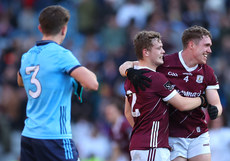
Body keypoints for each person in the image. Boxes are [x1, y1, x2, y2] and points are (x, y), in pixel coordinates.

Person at [119, 25, 223, 161]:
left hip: (198, 133)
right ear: (191, 45)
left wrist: (216, 110)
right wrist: (128, 71)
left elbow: (216, 104)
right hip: (170, 136)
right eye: (206, 45)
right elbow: (132, 64)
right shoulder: (162, 64)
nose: (209, 50)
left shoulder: (207, 72)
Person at [17, 5, 99, 161]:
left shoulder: (27, 56)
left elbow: (20, 81)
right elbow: (92, 83)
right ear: (64, 29)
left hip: (29, 135)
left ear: (40, 28)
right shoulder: (61, 55)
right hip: (55, 136)